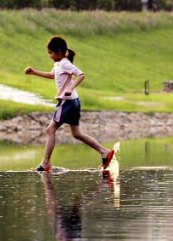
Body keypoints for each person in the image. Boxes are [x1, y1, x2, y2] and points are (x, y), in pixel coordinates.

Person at [24, 35, 115, 173]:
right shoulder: (58, 63)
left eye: (50, 53)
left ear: (59, 52)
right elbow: (52, 75)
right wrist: (34, 72)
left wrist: (70, 88)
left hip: (67, 102)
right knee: (76, 134)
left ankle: (45, 163)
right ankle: (104, 152)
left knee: (50, 130)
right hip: (73, 102)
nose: (49, 56)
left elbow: (81, 74)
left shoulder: (65, 63)